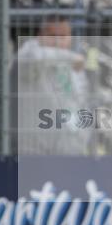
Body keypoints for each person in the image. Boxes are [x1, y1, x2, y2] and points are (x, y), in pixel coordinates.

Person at [13, 16, 91, 156]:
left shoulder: (72, 66)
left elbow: (80, 103)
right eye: (52, 35)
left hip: (66, 148)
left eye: (63, 36)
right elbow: (34, 59)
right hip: (31, 149)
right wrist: (70, 58)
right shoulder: (28, 54)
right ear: (40, 36)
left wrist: (81, 136)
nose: (57, 41)